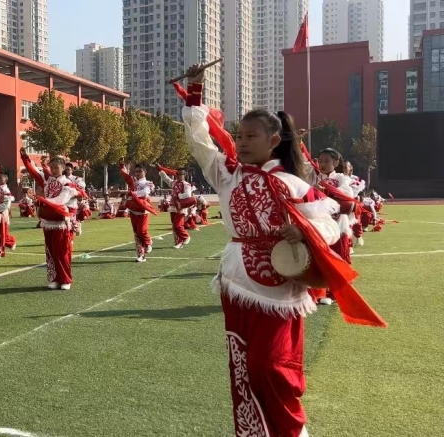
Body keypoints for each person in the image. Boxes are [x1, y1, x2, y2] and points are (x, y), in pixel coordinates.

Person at [180, 64, 388, 437]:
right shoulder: (227, 175)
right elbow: (199, 141)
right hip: (236, 284)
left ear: (274, 140)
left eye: (251, 136)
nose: (241, 142)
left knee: (273, 368)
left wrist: (304, 231)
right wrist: (195, 92)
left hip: (280, 290)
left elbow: (329, 224)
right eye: (239, 136)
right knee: (244, 368)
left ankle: (294, 431)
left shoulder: (293, 183)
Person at [20, 147, 78, 290]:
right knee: (50, 252)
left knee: (62, 252)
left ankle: (65, 279)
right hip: (48, 221)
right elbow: (34, 171)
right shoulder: (47, 181)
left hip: (60, 221)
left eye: (56, 167)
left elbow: (60, 201)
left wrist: (41, 201)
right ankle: (54, 278)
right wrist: (25, 158)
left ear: (63, 168)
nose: (53, 170)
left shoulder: (67, 184)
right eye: (51, 167)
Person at [119, 161, 155, 262]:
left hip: (143, 210)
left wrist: (132, 193)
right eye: (136, 172)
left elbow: (145, 192)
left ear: (145, 172)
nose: (137, 173)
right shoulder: (133, 182)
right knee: (136, 234)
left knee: (142, 231)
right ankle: (141, 255)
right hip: (133, 210)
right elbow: (126, 176)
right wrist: (122, 166)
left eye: (139, 171)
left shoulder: (148, 183)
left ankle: (148, 242)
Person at [158, 165, 193, 249]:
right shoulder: (174, 183)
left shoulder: (186, 184)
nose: (178, 175)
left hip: (181, 207)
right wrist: (161, 171)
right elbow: (166, 179)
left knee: (177, 225)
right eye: (177, 174)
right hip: (173, 206)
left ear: (184, 175)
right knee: (174, 226)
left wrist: (178, 196)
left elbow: (188, 194)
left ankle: (186, 236)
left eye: (180, 174)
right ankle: (179, 242)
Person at [64, 162, 87, 237]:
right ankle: (68, 238)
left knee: (71, 222)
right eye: (65, 169)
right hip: (63, 203)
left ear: (72, 170)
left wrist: (75, 187)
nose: (66, 171)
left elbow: (82, 185)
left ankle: (77, 226)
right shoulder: (61, 178)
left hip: (72, 204)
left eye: (68, 169)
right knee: (64, 222)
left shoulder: (76, 178)